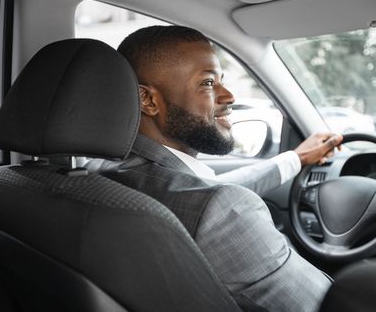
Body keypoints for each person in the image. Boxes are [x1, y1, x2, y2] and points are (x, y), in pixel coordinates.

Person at [105, 25, 343, 311]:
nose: (229, 96)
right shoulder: (222, 211)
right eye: (207, 83)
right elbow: (325, 305)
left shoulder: (97, 174)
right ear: (148, 100)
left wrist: (295, 158)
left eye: (221, 80)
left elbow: (210, 193)